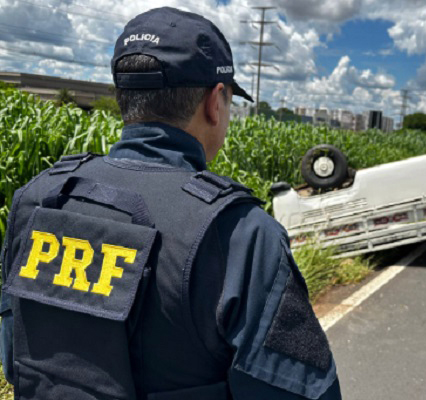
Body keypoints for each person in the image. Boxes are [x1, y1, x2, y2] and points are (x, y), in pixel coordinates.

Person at [0, 7, 341, 400]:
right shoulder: (240, 235)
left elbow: (15, 355)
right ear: (215, 102)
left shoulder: (37, 198)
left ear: (124, 98)